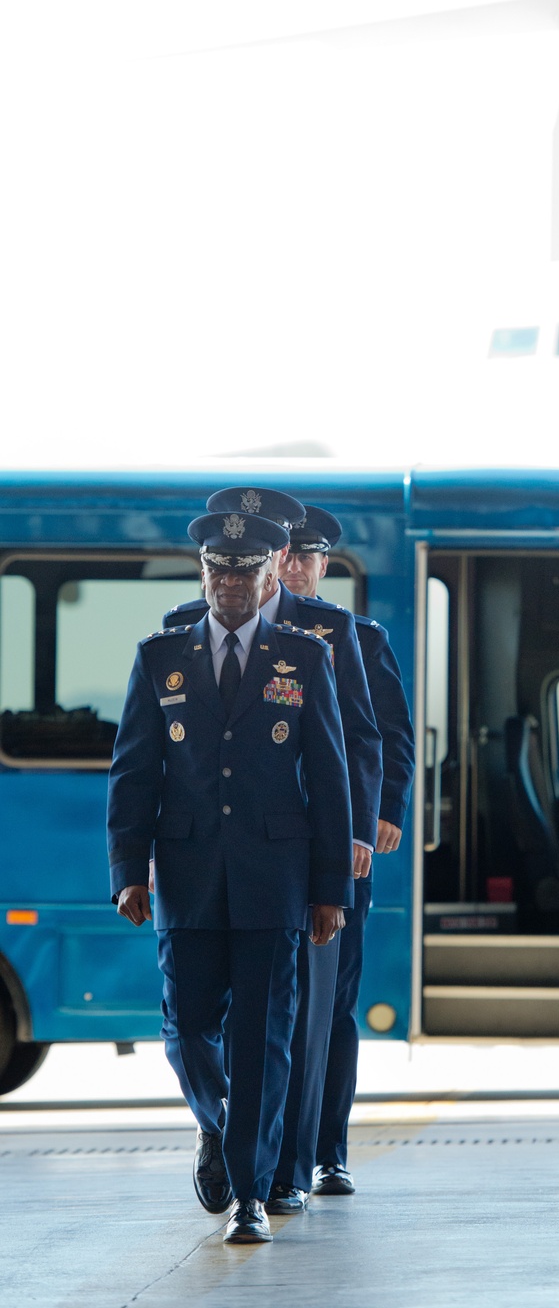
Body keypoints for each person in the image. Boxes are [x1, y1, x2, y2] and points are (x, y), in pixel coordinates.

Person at [108, 508, 355, 1244]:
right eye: (220, 570)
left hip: (273, 881)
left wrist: (329, 889)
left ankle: (249, 1195)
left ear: (270, 573)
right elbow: (133, 773)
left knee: (263, 1038)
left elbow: (332, 781)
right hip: (184, 877)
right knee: (185, 1028)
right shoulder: (161, 659)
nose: (232, 584)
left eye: (246, 571)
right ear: (203, 574)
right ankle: (219, 1125)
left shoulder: (303, 659)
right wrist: (128, 869)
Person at [162, 487, 383, 1213]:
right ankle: (226, 1133)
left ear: (285, 557)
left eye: (279, 551)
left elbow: (354, 743)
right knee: (193, 1021)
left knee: (293, 1021)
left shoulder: (329, 634)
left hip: (295, 861)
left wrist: (348, 839)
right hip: (200, 869)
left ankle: (284, 1171)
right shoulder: (180, 632)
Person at [277, 507, 415, 1198]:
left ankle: (329, 1148)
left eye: (309, 558)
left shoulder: (356, 636)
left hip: (340, 852)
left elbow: (386, 733)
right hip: (265, 847)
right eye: (286, 555)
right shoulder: (241, 634)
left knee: (331, 1009)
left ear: (325, 566)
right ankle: (265, 1146)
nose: (295, 567)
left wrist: (382, 814)